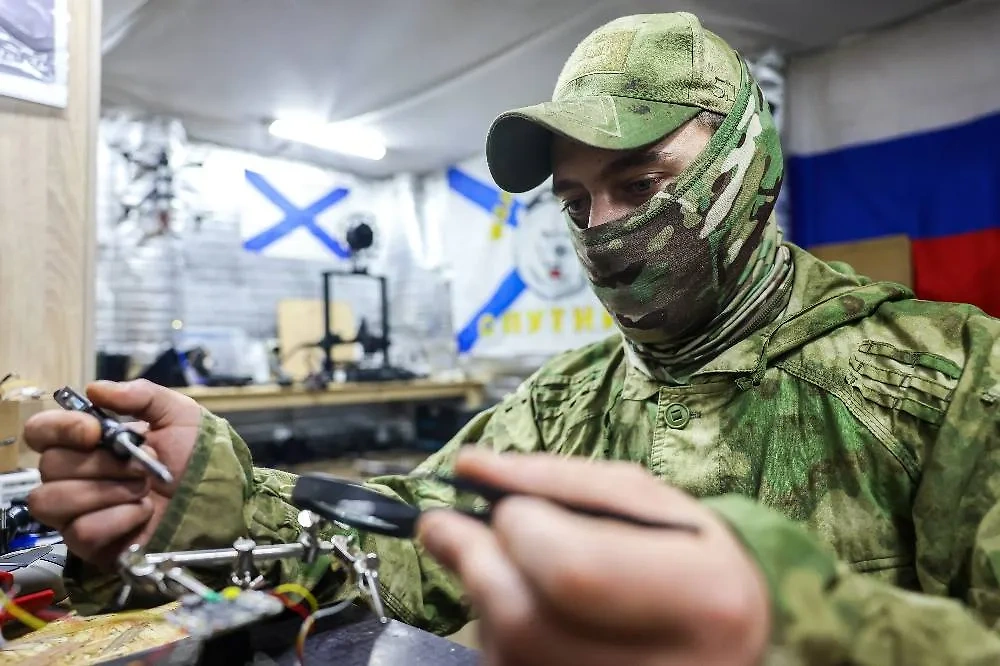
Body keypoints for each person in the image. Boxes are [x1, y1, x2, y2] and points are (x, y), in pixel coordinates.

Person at [25, 11, 1000, 665]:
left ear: (744, 164)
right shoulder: (561, 404)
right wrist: (211, 493)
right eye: (576, 200)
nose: (605, 226)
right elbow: (415, 524)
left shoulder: (950, 377)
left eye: (643, 185)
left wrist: (791, 623)